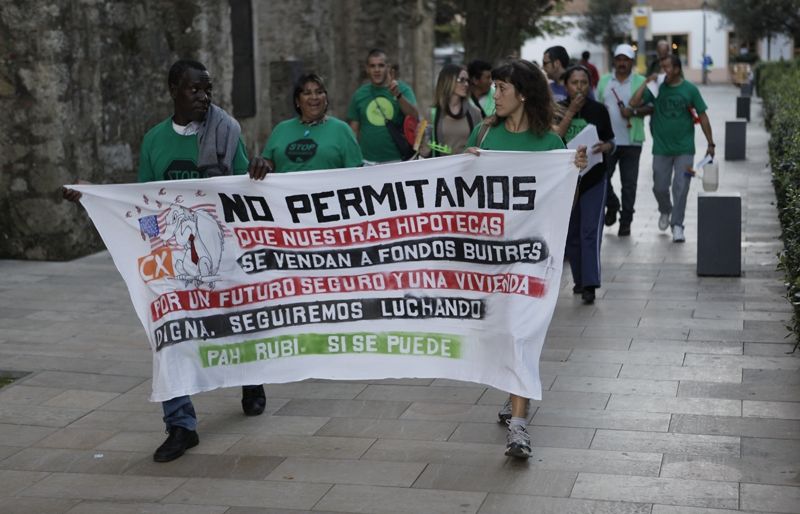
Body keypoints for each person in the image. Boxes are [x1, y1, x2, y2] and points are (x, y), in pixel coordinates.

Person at [63, 60, 271, 463]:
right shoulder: (155, 140)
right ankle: (180, 425)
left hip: (221, 250)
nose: (203, 97)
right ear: (174, 88)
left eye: (207, 89)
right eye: (195, 89)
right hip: (173, 256)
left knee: (237, 321)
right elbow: (144, 197)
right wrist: (96, 197)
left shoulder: (226, 131)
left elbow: (244, 188)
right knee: (170, 334)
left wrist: (260, 170)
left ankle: (251, 379)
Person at [464, 59, 588, 460]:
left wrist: (574, 171)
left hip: (530, 260)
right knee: (502, 331)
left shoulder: (549, 146)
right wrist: (465, 165)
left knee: (521, 332)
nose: (494, 95)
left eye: (501, 88)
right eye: (494, 87)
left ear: (523, 94)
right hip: (491, 258)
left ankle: (518, 425)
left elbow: (558, 202)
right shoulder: (484, 134)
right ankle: (513, 391)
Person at [630, 54, 715, 243]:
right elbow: (633, 103)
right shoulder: (657, 87)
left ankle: (677, 225)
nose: (664, 71)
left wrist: (710, 143)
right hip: (661, 148)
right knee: (660, 187)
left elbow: (703, 115)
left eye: (667, 67)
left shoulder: (690, 89)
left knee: (682, 186)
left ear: (677, 69)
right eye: (661, 67)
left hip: (685, 148)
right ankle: (665, 209)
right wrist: (647, 82)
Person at [554, 66, 615, 304]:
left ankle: (590, 284)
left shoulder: (599, 110)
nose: (578, 87)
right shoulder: (557, 111)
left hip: (593, 178)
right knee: (571, 234)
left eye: (583, 82)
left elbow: (610, 141)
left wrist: (605, 147)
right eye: (574, 83)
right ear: (565, 85)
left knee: (590, 232)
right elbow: (554, 139)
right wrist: (571, 111)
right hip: (566, 181)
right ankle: (579, 280)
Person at [597, 44, 652, 236]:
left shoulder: (640, 81)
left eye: (626, 60)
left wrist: (634, 112)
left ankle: (626, 221)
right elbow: (597, 108)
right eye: (619, 59)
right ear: (614, 61)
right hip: (608, 142)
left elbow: (652, 107)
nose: (622, 63)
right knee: (602, 179)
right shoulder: (605, 81)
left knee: (629, 185)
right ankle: (612, 205)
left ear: (631, 62)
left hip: (632, 142)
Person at [262, 73, 362, 171]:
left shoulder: (342, 130)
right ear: (297, 101)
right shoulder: (281, 129)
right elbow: (267, 164)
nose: (314, 97)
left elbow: (356, 174)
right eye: (307, 93)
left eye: (319, 92)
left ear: (326, 99)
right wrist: (262, 165)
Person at [347, 48, 419, 163]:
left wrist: (398, 95)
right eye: (372, 66)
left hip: (397, 161)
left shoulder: (402, 89)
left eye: (381, 65)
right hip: (368, 162)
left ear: (388, 67)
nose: (377, 70)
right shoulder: (359, 95)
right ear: (367, 69)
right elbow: (353, 131)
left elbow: (414, 115)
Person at [420, 64, 482, 157]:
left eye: (467, 81)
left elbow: (481, 146)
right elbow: (424, 151)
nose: (466, 84)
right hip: (442, 169)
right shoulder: (432, 113)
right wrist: (422, 142)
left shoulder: (474, 113)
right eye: (461, 80)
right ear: (448, 81)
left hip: (467, 169)